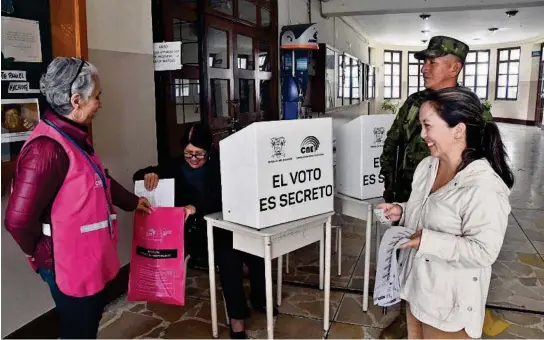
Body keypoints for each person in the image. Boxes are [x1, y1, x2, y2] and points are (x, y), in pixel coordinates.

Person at [4, 57, 152, 339]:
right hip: (66, 265)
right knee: (79, 331)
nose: (100, 104)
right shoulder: (46, 150)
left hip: (85, 261)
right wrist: (38, 254)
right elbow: (18, 220)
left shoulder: (71, 137)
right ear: (76, 100)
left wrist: (132, 202)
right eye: (97, 97)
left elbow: (98, 178)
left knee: (86, 325)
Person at [378, 36, 492, 338]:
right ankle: (409, 312)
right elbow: (393, 140)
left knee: (437, 265)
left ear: (455, 67)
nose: (424, 67)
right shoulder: (415, 102)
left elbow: (485, 158)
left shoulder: (469, 110)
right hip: (413, 192)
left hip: (450, 203)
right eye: (423, 61)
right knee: (409, 257)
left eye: (432, 61)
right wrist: (391, 186)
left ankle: (438, 318)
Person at [134, 123, 275, 339]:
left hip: (223, 225)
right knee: (230, 259)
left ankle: (260, 297)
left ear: (209, 151)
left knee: (253, 248)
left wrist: (196, 207)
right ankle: (237, 321)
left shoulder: (222, 165)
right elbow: (138, 175)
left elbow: (227, 196)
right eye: (188, 153)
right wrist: (149, 175)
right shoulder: (174, 167)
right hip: (194, 233)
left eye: (199, 154)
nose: (193, 159)